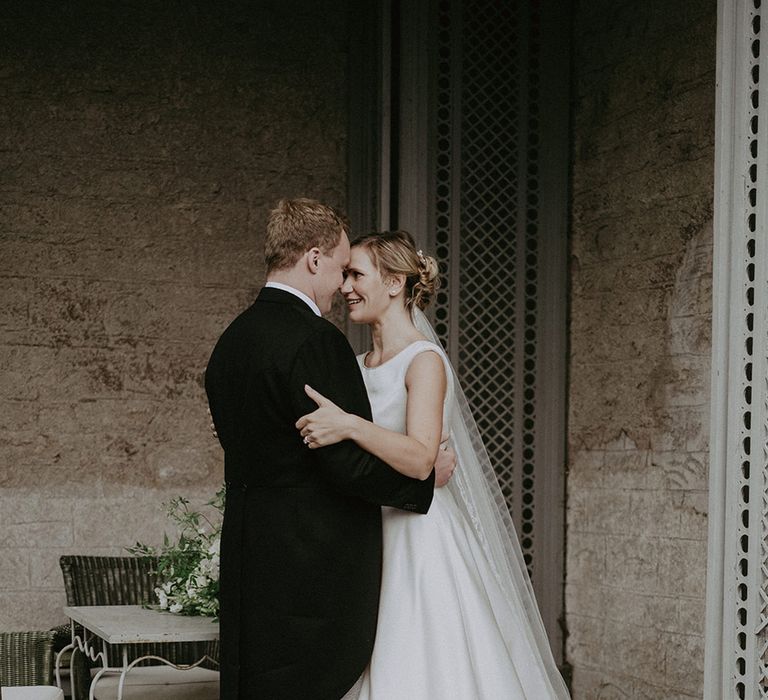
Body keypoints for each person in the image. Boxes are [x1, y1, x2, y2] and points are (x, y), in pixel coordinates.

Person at [297, 230, 571, 699]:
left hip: (419, 538)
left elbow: (422, 457)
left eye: (357, 274)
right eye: (344, 276)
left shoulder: (424, 361)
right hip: (368, 531)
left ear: (395, 283)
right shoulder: (358, 365)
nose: (345, 287)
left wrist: (350, 426)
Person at [205, 200, 455, 700]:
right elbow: (342, 464)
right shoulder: (316, 341)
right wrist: (425, 479)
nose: (342, 288)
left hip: (249, 547)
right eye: (342, 269)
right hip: (311, 556)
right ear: (314, 260)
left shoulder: (232, 341)